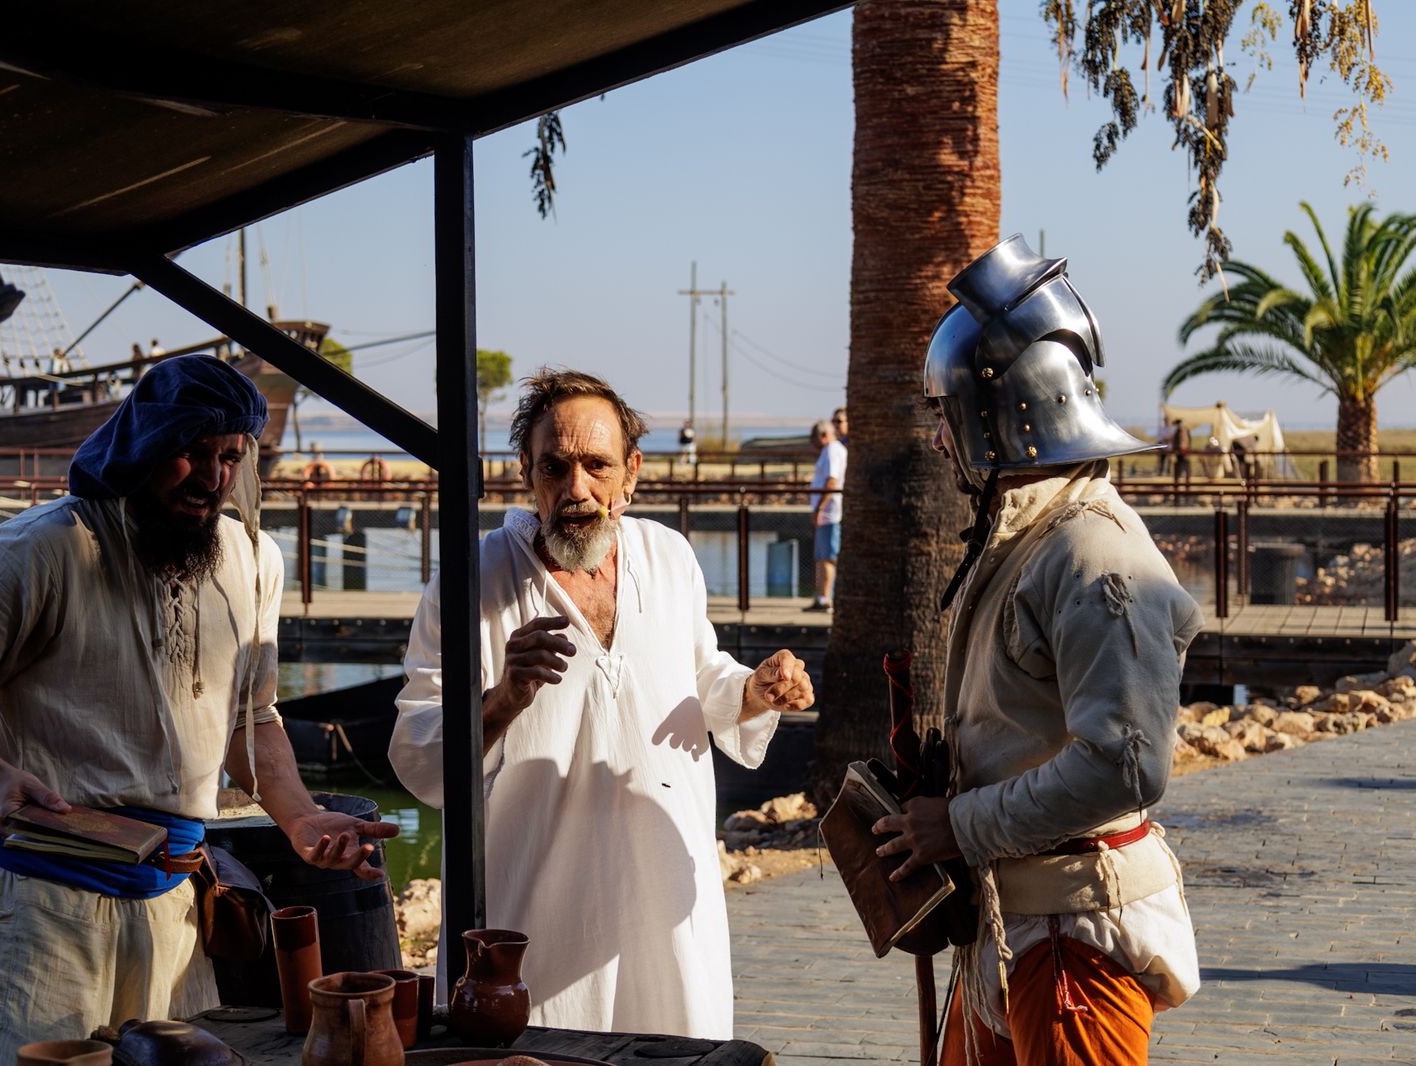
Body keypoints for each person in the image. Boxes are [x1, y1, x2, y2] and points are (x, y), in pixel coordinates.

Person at [0, 355, 397, 1065]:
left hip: (176, 906)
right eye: (191, 453)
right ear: (142, 446)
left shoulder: (254, 559)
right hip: (40, 912)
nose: (213, 480)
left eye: (229, 457)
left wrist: (300, 817)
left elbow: (255, 715)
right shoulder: (41, 551)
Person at [388, 368, 814, 1038]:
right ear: (525, 471)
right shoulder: (474, 580)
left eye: (597, 465)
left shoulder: (669, 557)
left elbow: (700, 677)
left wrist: (753, 691)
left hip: (667, 912)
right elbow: (418, 754)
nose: (577, 489)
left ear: (632, 472)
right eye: (555, 467)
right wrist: (504, 697)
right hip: (533, 921)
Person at [883, 236, 1200, 1065]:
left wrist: (960, 822)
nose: (945, 441)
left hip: (1071, 946)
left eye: (949, 417)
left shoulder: (1094, 554)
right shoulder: (1036, 539)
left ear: (999, 415)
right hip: (1016, 929)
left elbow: (1127, 764)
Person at [805, 418, 846, 612]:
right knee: (822, 556)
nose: (812, 445)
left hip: (830, 514)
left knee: (828, 557)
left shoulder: (832, 450)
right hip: (826, 514)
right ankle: (821, 596)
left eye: (814, 439)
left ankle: (825, 599)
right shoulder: (829, 451)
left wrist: (820, 508)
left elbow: (832, 481)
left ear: (823, 435)